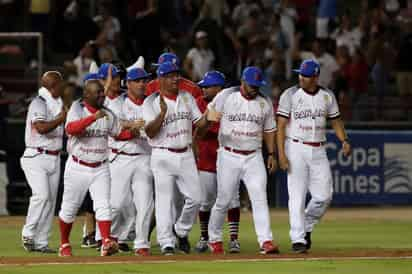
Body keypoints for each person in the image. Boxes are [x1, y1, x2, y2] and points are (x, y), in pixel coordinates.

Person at [276, 59, 351, 253]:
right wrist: (281, 155)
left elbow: (335, 121)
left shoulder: (327, 96)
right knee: (297, 195)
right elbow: (281, 126)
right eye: (300, 74)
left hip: (318, 148)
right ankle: (298, 238)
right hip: (295, 147)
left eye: (306, 75)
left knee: (324, 196)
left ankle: (307, 225)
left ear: (316, 77)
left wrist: (344, 140)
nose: (301, 77)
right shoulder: (290, 94)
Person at [142, 61, 215, 255]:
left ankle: (180, 231)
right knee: (164, 201)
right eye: (171, 75)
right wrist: (162, 114)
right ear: (161, 79)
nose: (176, 78)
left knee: (196, 198)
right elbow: (149, 132)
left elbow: (199, 123)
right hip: (162, 154)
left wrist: (210, 118)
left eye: (177, 75)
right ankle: (166, 242)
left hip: (185, 153)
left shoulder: (187, 97)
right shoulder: (150, 101)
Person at [206, 66, 279, 255]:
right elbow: (207, 114)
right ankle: (214, 239)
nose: (255, 88)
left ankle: (266, 240)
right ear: (243, 81)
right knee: (223, 199)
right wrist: (210, 117)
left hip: (253, 156)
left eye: (258, 85)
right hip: (228, 155)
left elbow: (270, 130)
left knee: (260, 198)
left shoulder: (265, 102)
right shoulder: (227, 95)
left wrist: (271, 154)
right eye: (252, 84)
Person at [58, 76, 133, 257]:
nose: (102, 95)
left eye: (102, 92)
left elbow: (118, 134)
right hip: (77, 165)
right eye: (98, 93)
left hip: (100, 166)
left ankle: (106, 241)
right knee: (69, 208)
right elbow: (71, 129)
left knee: (103, 205)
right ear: (87, 94)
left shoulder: (108, 113)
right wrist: (92, 118)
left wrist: (137, 131)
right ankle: (64, 244)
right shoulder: (78, 108)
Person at [193, 71, 241, 254]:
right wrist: (209, 120)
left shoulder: (234, 101)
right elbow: (200, 131)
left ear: (220, 89)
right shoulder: (198, 103)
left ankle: (234, 239)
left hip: (229, 157)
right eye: (203, 86)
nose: (203, 89)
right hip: (206, 157)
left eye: (207, 86)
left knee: (232, 199)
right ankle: (205, 237)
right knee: (205, 201)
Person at [110, 67, 154, 256]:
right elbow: (114, 128)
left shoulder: (151, 103)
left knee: (145, 202)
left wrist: (133, 125)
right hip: (121, 158)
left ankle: (142, 243)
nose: (142, 84)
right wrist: (131, 127)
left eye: (144, 81)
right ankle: (110, 237)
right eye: (138, 81)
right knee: (118, 204)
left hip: (144, 157)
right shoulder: (118, 103)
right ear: (127, 84)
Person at [20, 71, 66, 253]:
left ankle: (41, 242)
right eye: (61, 83)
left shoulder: (58, 102)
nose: (63, 86)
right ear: (53, 85)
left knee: (50, 201)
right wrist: (60, 119)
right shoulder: (39, 102)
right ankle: (28, 233)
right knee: (42, 195)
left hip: (53, 156)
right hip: (36, 156)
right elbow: (40, 128)